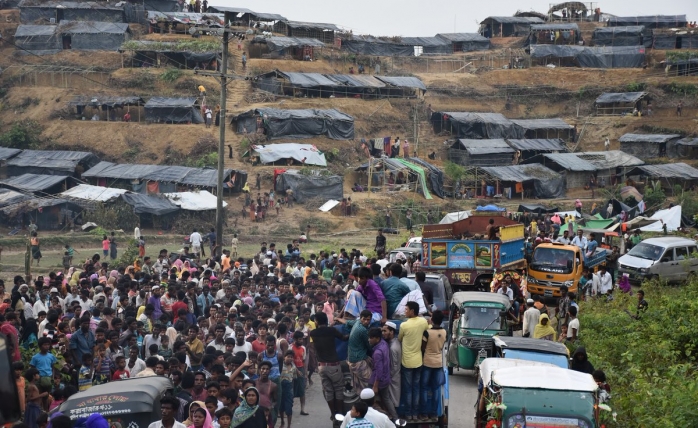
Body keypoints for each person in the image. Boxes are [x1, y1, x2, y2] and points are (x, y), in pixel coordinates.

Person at [309, 312, 346, 420]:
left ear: (316, 321)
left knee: (328, 391)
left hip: (322, 366)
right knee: (338, 389)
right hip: (334, 365)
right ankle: (339, 413)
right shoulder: (332, 330)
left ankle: (333, 414)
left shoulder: (313, 333)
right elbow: (343, 338)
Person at [398, 301, 428, 421]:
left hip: (407, 362)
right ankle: (415, 414)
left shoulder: (404, 325)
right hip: (418, 361)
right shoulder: (423, 322)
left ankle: (408, 414)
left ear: (412, 311)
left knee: (408, 389)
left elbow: (400, 338)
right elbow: (429, 327)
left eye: (406, 309)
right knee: (416, 388)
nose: (405, 311)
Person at [367, 327, 398, 421]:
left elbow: (379, 371)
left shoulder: (377, 353)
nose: (369, 340)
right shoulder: (384, 344)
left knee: (369, 399)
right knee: (386, 398)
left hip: (379, 381)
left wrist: (375, 386)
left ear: (377, 338)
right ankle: (395, 417)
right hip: (386, 378)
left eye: (371, 338)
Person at [420, 311, 446, 421]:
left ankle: (424, 413)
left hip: (427, 362)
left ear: (432, 319)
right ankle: (434, 413)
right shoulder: (444, 332)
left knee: (424, 387)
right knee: (435, 388)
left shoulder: (427, 332)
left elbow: (422, 347)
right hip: (438, 362)